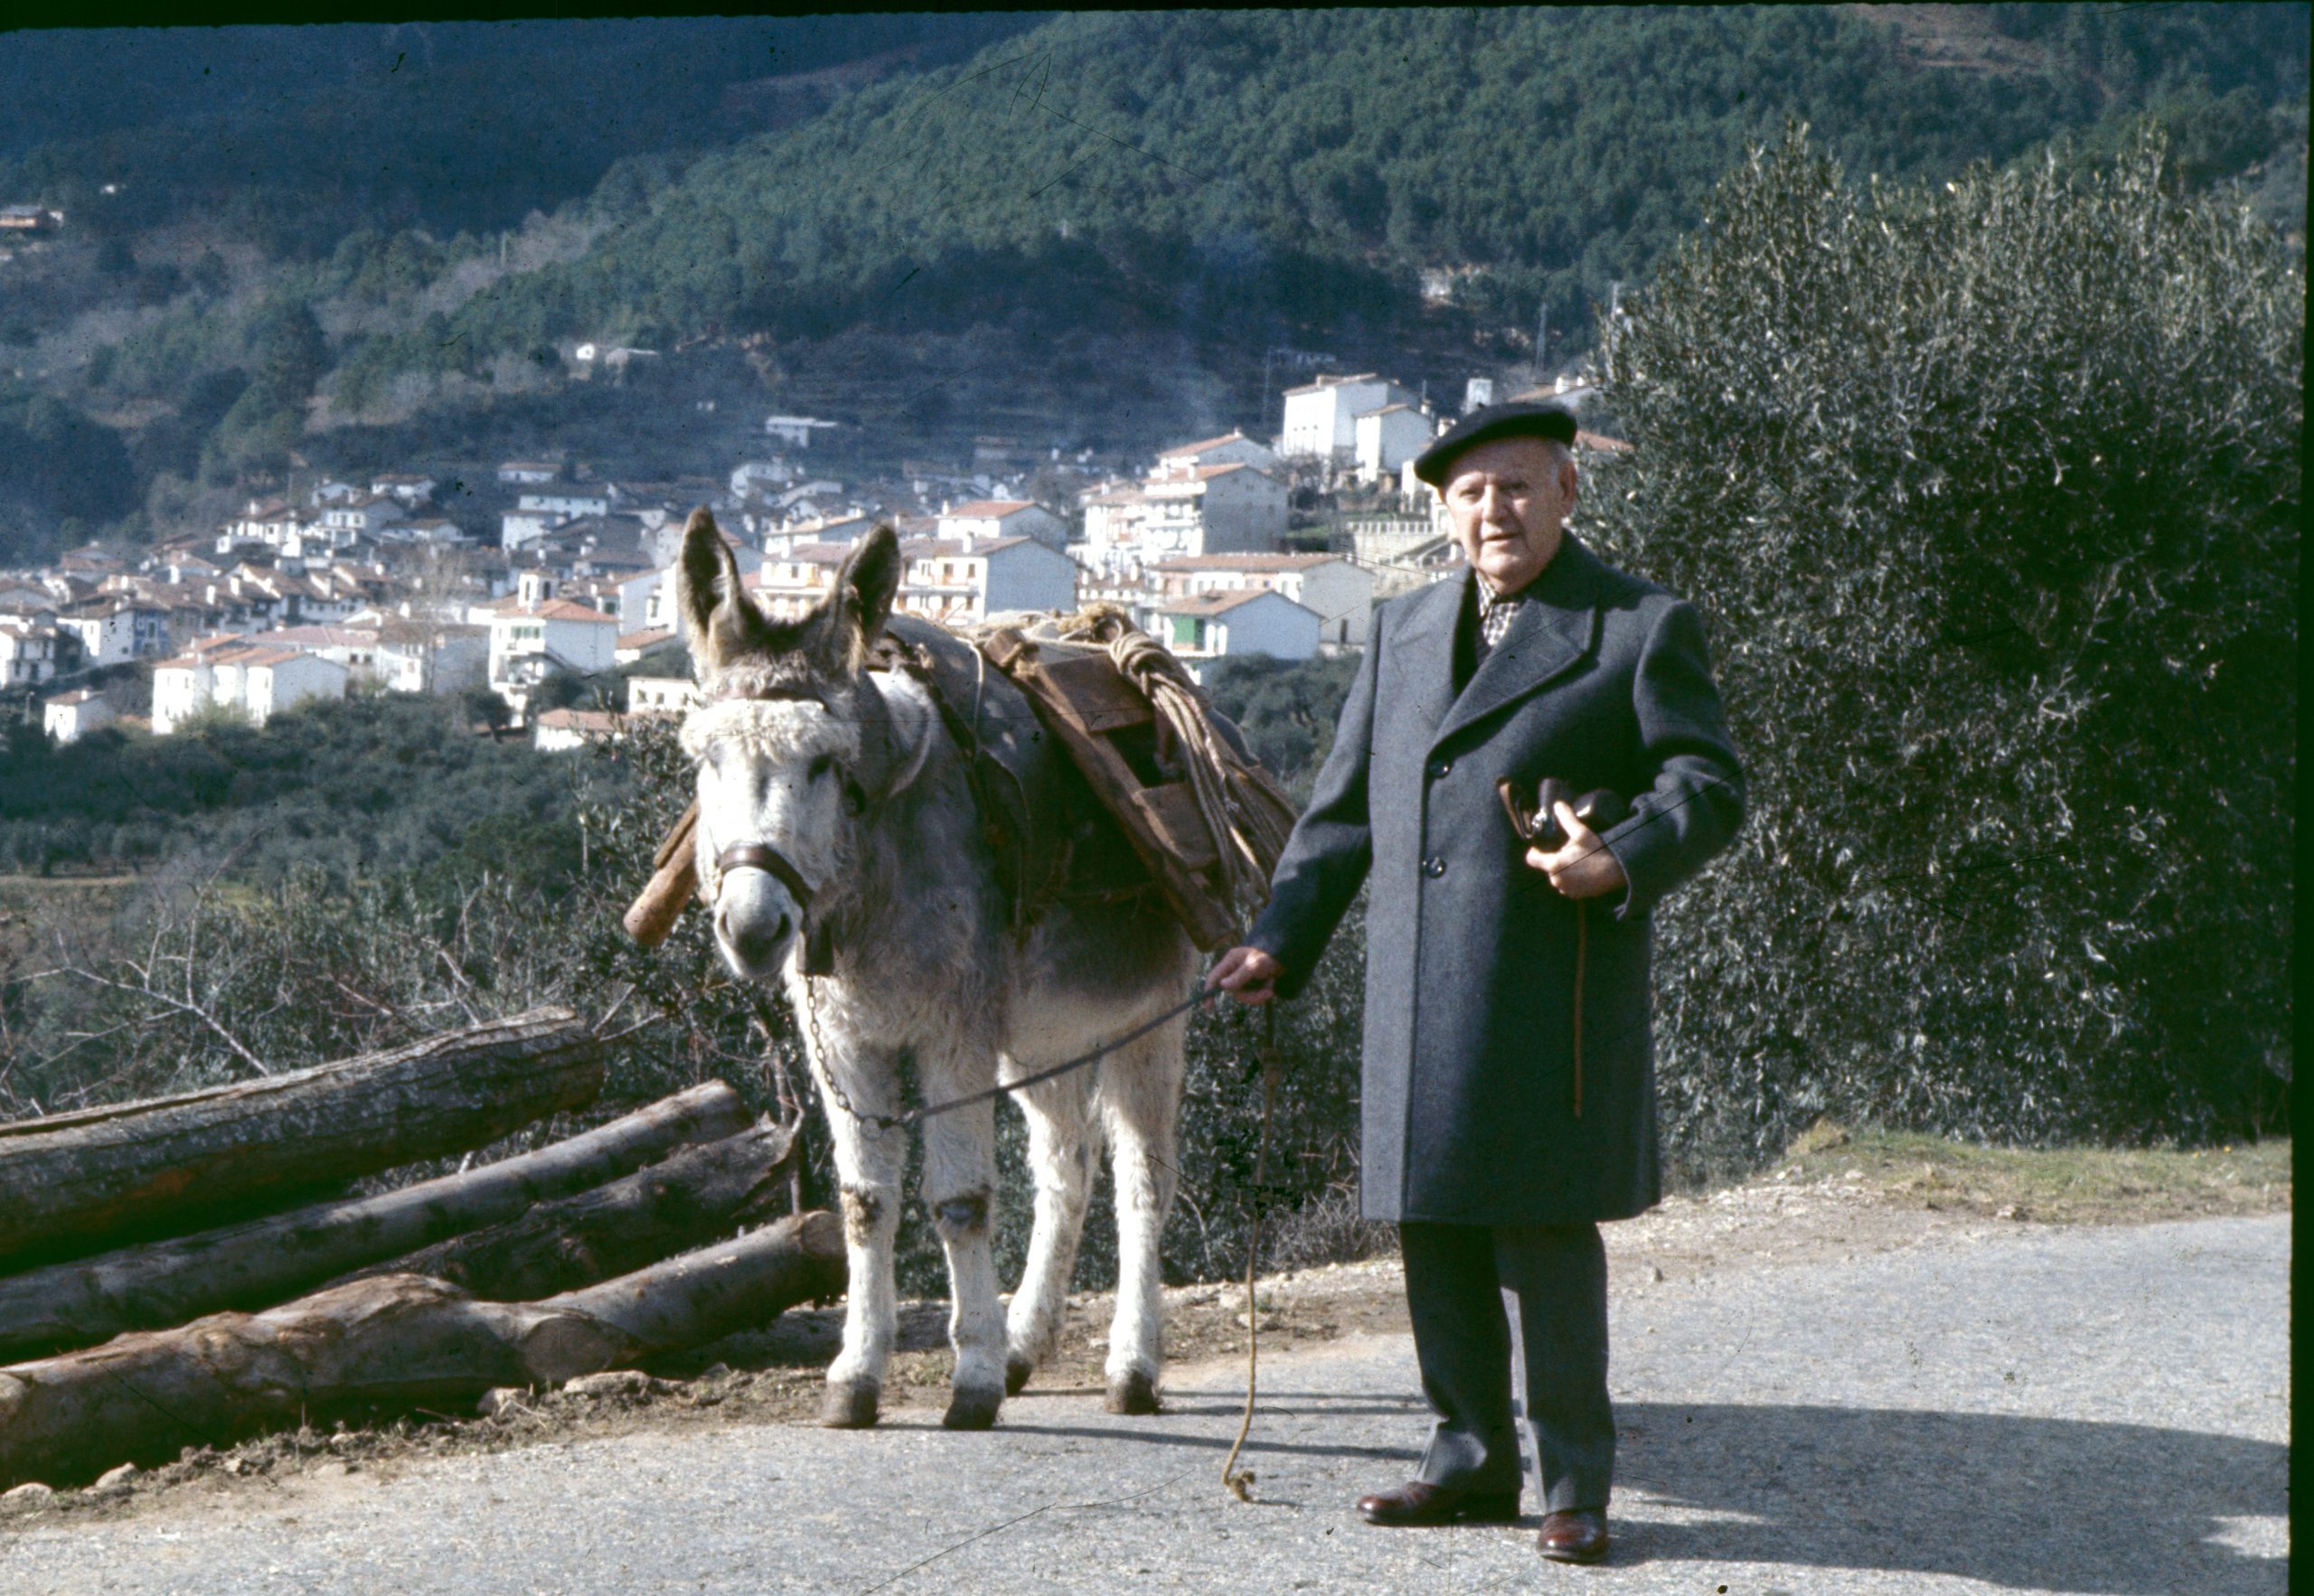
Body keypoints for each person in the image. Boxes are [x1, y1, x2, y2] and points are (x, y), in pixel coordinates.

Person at [1208, 400, 1745, 1565]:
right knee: (1432, 1220)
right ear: (1444, 511)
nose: (1494, 510)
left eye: (1516, 486)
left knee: (1545, 1234)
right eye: (1470, 493)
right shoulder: (1401, 629)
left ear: (1566, 493)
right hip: (1416, 988)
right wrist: (1280, 941)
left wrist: (1619, 854)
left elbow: (1708, 785)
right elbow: (1343, 814)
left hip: (1551, 992)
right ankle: (1467, 1460)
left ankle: (1574, 1485)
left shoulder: (1637, 625)